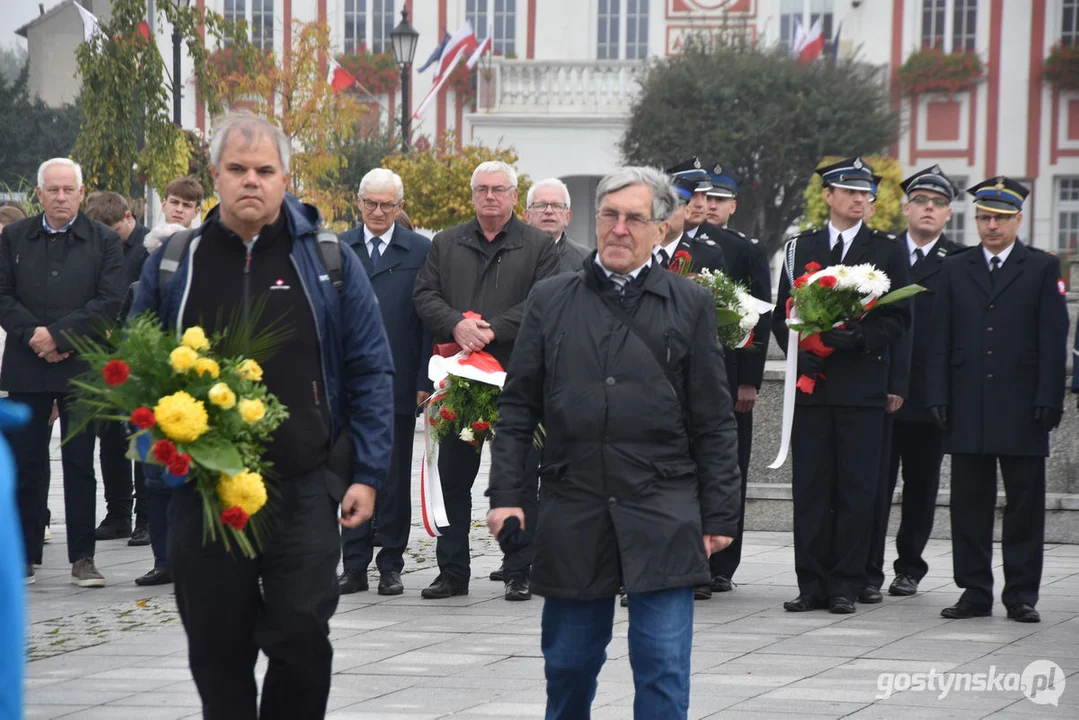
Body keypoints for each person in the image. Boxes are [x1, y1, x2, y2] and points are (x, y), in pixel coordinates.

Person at [130, 111, 395, 717]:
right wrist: (156, 454)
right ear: (215, 177)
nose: (252, 181)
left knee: (302, 638)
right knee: (215, 647)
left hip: (301, 488)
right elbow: (134, 369)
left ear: (286, 178)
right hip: (203, 491)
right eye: (238, 170)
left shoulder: (327, 260)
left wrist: (367, 472)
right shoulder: (176, 261)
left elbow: (371, 369)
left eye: (265, 170)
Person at [486, 166, 741, 718]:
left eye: (634, 218)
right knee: (569, 665)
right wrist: (505, 492)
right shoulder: (550, 299)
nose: (620, 228)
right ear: (596, 220)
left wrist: (720, 514)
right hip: (574, 503)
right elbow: (517, 408)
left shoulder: (689, 303)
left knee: (663, 667)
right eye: (610, 215)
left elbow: (714, 419)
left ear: (660, 229)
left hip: (663, 506)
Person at [413, 160, 559, 601]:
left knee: (518, 479)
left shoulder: (538, 246)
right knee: (454, 479)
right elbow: (424, 294)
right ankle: (453, 572)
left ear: (515, 196)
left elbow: (545, 299)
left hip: (518, 380)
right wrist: (457, 325)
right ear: (472, 195)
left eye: (499, 189)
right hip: (459, 378)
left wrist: (492, 329)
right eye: (482, 189)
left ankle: (519, 570)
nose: (490, 197)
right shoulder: (446, 242)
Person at [771, 156, 912, 614]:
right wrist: (801, 345)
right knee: (811, 488)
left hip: (860, 388)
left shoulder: (887, 250)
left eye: (865, 193)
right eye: (849, 191)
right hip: (812, 389)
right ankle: (810, 582)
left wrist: (860, 338)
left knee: (856, 489)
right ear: (828, 196)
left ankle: (845, 584)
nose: (859, 199)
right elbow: (781, 314)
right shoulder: (800, 247)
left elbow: (898, 319)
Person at [926, 176, 1069, 624]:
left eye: (1001, 218)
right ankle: (974, 591)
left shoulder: (1042, 268)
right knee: (969, 504)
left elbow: (1053, 338)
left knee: (1024, 505)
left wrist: (1050, 397)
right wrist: (937, 393)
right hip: (967, 403)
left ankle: (1021, 594)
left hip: (1023, 406)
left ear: (1018, 220)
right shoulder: (955, 267)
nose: (991, 226)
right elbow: (939, 337)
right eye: (985, 217)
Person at [0, 157, 125, 587]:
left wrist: (59, 337)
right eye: (52, 190)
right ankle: (26, 555)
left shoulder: (104, 240)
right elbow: (2, 294)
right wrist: (35, 336)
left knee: (79, 461)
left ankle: (83, 557)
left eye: (68, 189)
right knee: (27, 462)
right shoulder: (14, 236)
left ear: (82, 192)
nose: (60, 197)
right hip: (26, 362)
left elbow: (109, 300)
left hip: (82, 363)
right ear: (38, 194)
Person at [864, 166, 963, 600]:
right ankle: (867, 567)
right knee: (873, 485)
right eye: (921, 201)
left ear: (948, 214)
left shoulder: (958, 262)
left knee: (921, 487)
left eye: (938, 203)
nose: (929, 209)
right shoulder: (882, 255)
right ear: (905, 209)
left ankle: (909, 567)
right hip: (880, 388)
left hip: (928, 395)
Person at [337, 168, 432, 596]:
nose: (378, 211)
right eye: (370, 203)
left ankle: (391, 563)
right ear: (358, 202)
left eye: (387, 205)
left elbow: (426, 321)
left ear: (400, 206)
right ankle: (353, 565)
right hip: (347, 382)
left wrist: (422, 378)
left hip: (396, 380)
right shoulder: (337, 248)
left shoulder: (419, 249)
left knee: (393, 476)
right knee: (350, 472)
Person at [700, 164, 773, 596]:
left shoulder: (745, 249)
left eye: (718, 200)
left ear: (733, 205)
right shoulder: (680, 247)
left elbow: (760, 317)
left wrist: (750, 380)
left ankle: (724, 562)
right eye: (703, 199)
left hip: (730, 377)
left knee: (730, 469)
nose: (709, 206)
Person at [84, 191, 151, 543]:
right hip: (106, 355)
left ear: (128, 217)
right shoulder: (97, 249)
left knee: (141, 436)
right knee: (109, 436)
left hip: (138, 354)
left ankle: (146, 517)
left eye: (112, 230)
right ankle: (118, 512)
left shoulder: (149, 249)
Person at [524, 178, 589, 272]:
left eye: (557, 206)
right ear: (527, 216)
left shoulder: (585, 261)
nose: (549, 211)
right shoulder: (510, 256)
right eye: (541, 205)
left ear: (568, 217)